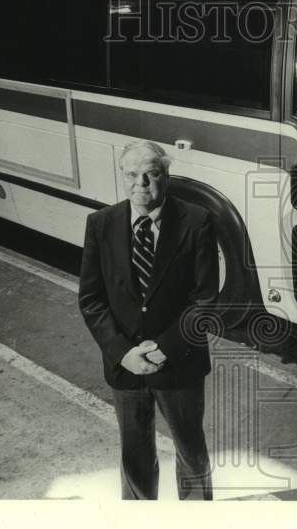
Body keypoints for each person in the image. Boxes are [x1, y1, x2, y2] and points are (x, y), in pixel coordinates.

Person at [79, 140, 218, 500]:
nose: (141, 183)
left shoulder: (197, 222)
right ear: (122, 177)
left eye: (151, 174)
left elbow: (204, 301)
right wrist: (122, 352)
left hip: (179, 363)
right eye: (132, 174)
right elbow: (91, 299)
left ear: (166, 176)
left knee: (191, 452)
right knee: (134, 454)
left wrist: (163, 350)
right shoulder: (100, 224)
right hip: (125, 364)